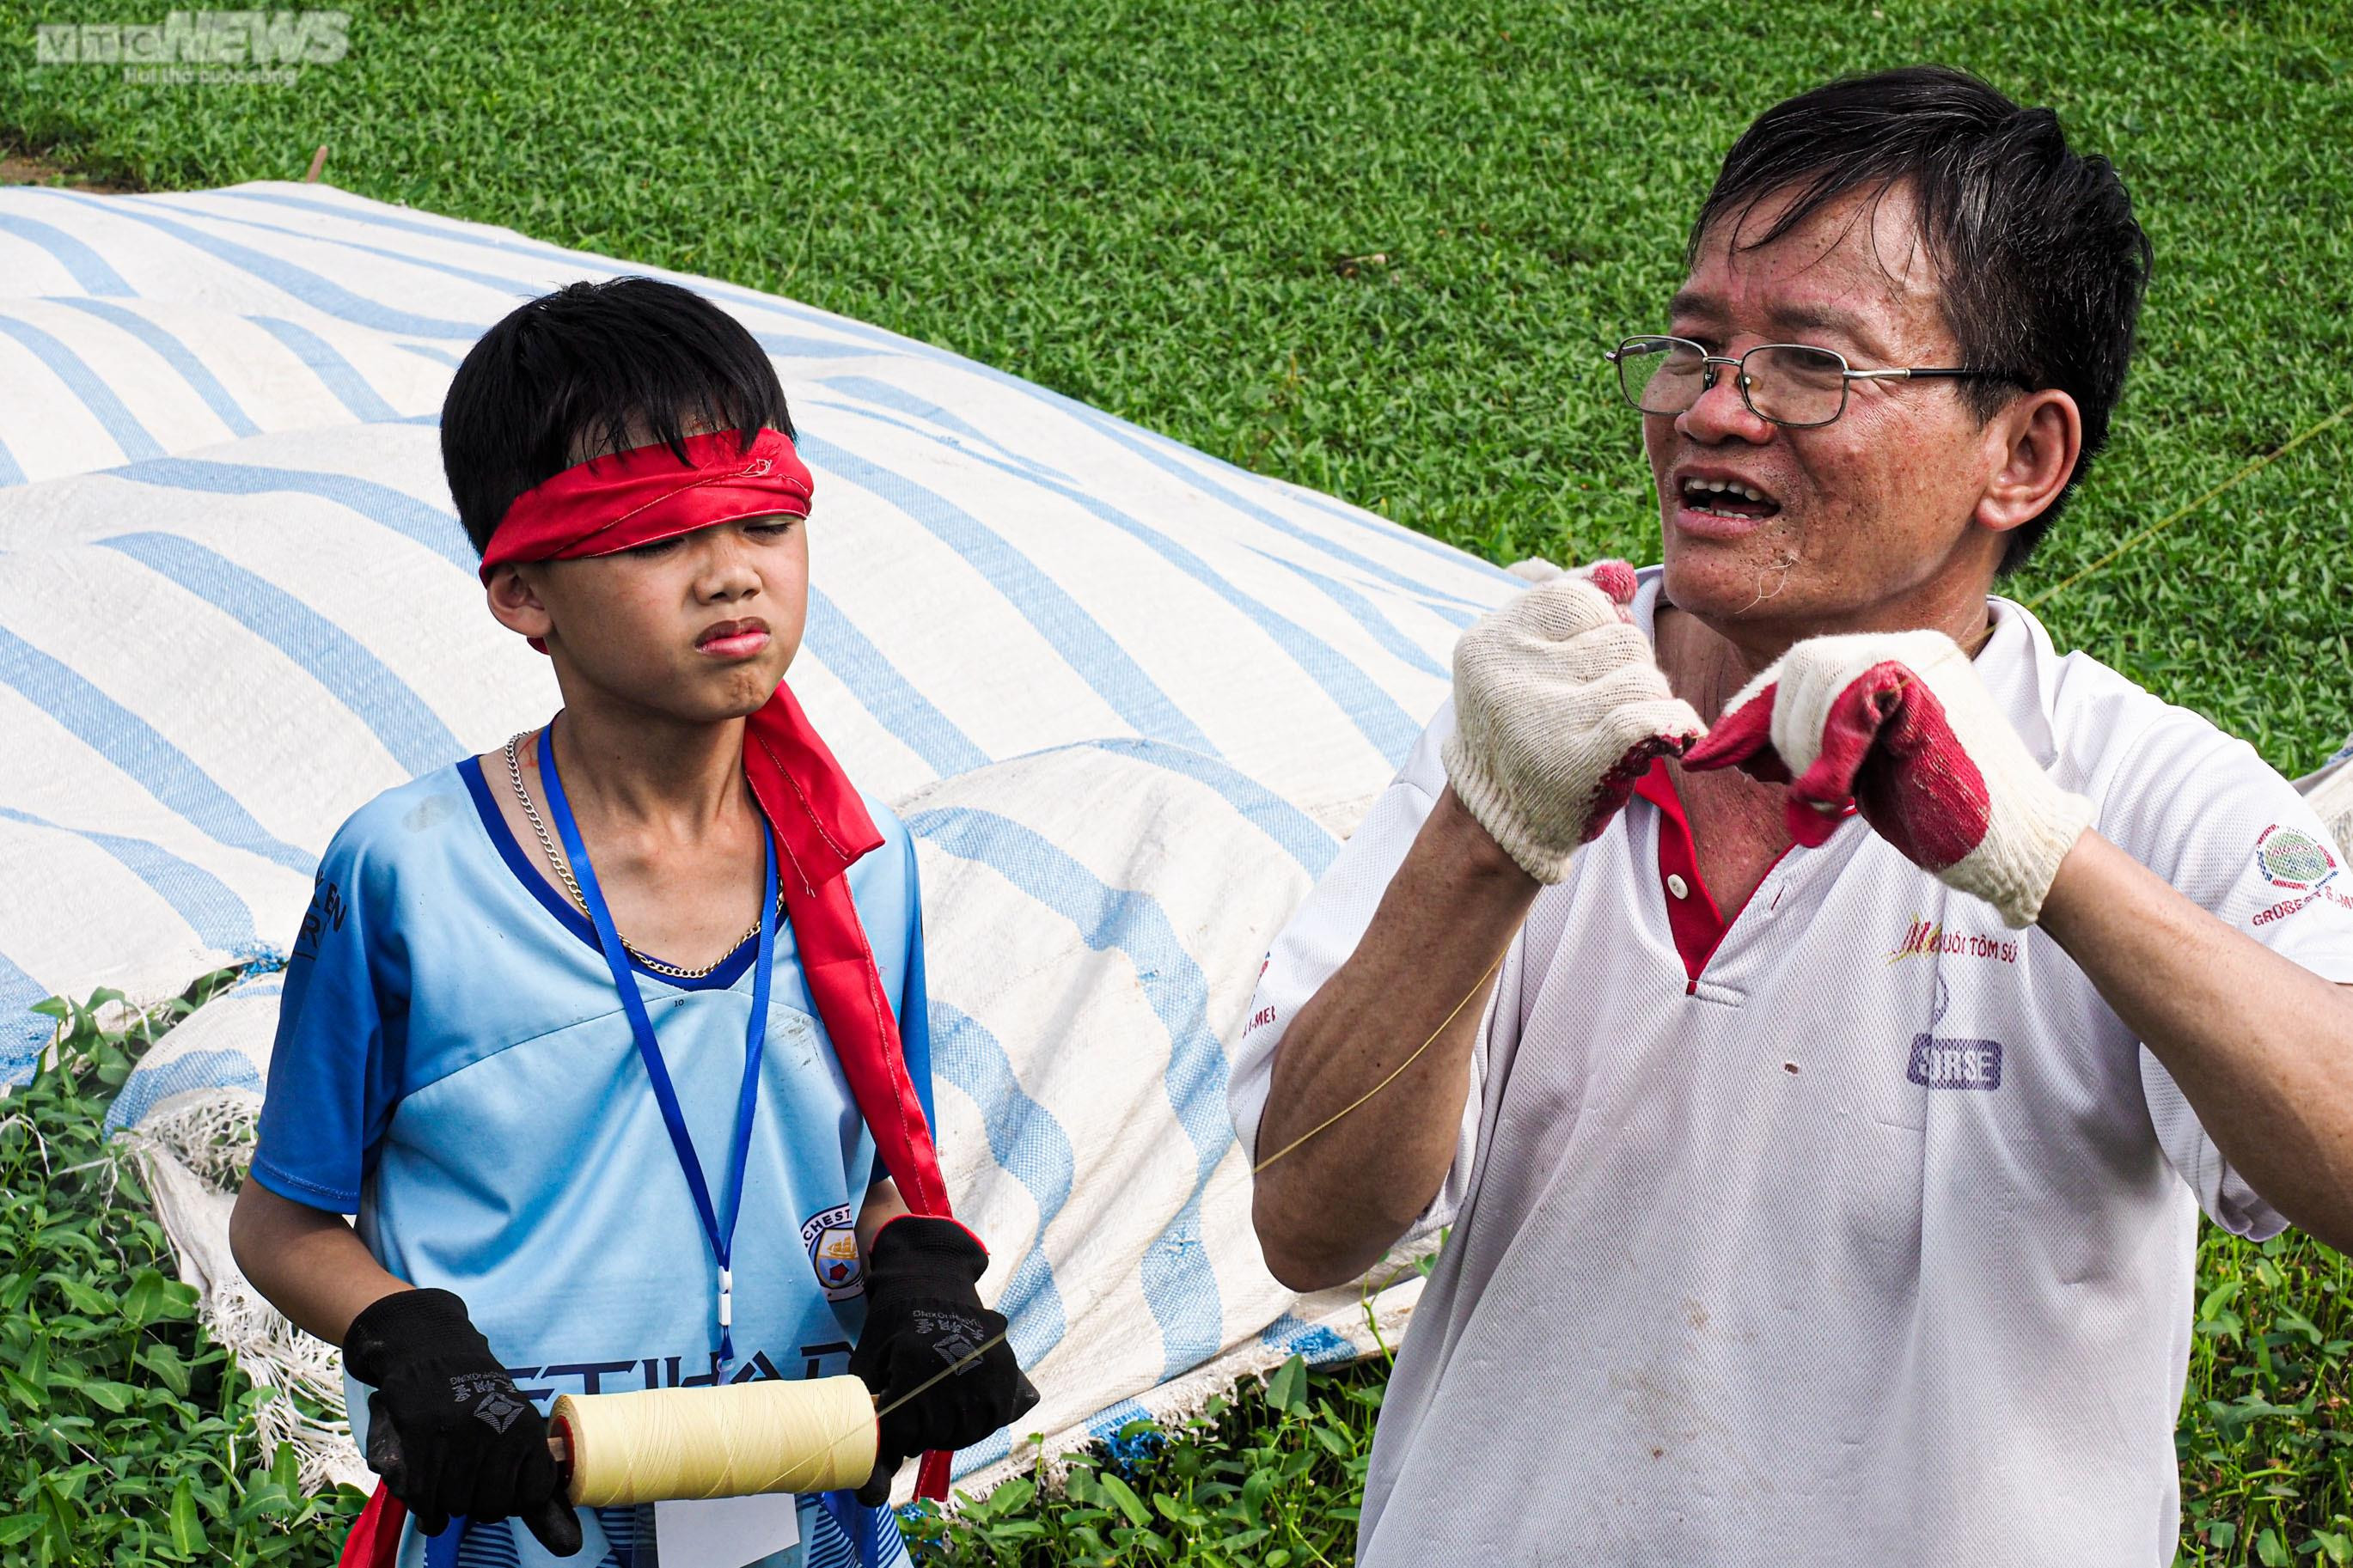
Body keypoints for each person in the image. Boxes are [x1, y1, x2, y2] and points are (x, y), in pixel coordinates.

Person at [1231, 66, 2353, 1565]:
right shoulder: (1543, 705)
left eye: (1807, 368)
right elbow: (1309, 1227)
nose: (1711, 410)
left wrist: (2040, 860)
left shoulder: (2126, 781)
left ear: (2019, 456)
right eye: (1694, 347)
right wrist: (1485, 826)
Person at [228, 278, 1037, 1568]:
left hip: (808, 1524)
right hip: (523, 1527)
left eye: (767, 517)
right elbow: (283, 1219)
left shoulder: (850, 868)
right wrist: (408, 1337)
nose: (731, 572)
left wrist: (921, 1274)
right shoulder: (411, 874)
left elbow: (881, 1165)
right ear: (521, 591)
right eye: (657, 534)